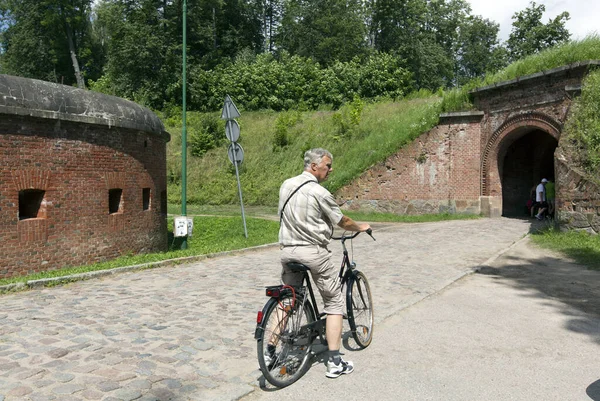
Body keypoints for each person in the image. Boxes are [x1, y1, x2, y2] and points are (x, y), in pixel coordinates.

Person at [278, 148, 371, 378]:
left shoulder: (286, 185)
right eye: (328, 165)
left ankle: (270, 350)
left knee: (288, 300)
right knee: (334, 302)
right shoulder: (319, 193)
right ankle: (334, 362)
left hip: (288, 251)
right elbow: (342, 221)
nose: (331, 169)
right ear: (314, 166)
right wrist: (361, 227)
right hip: (312, 253)